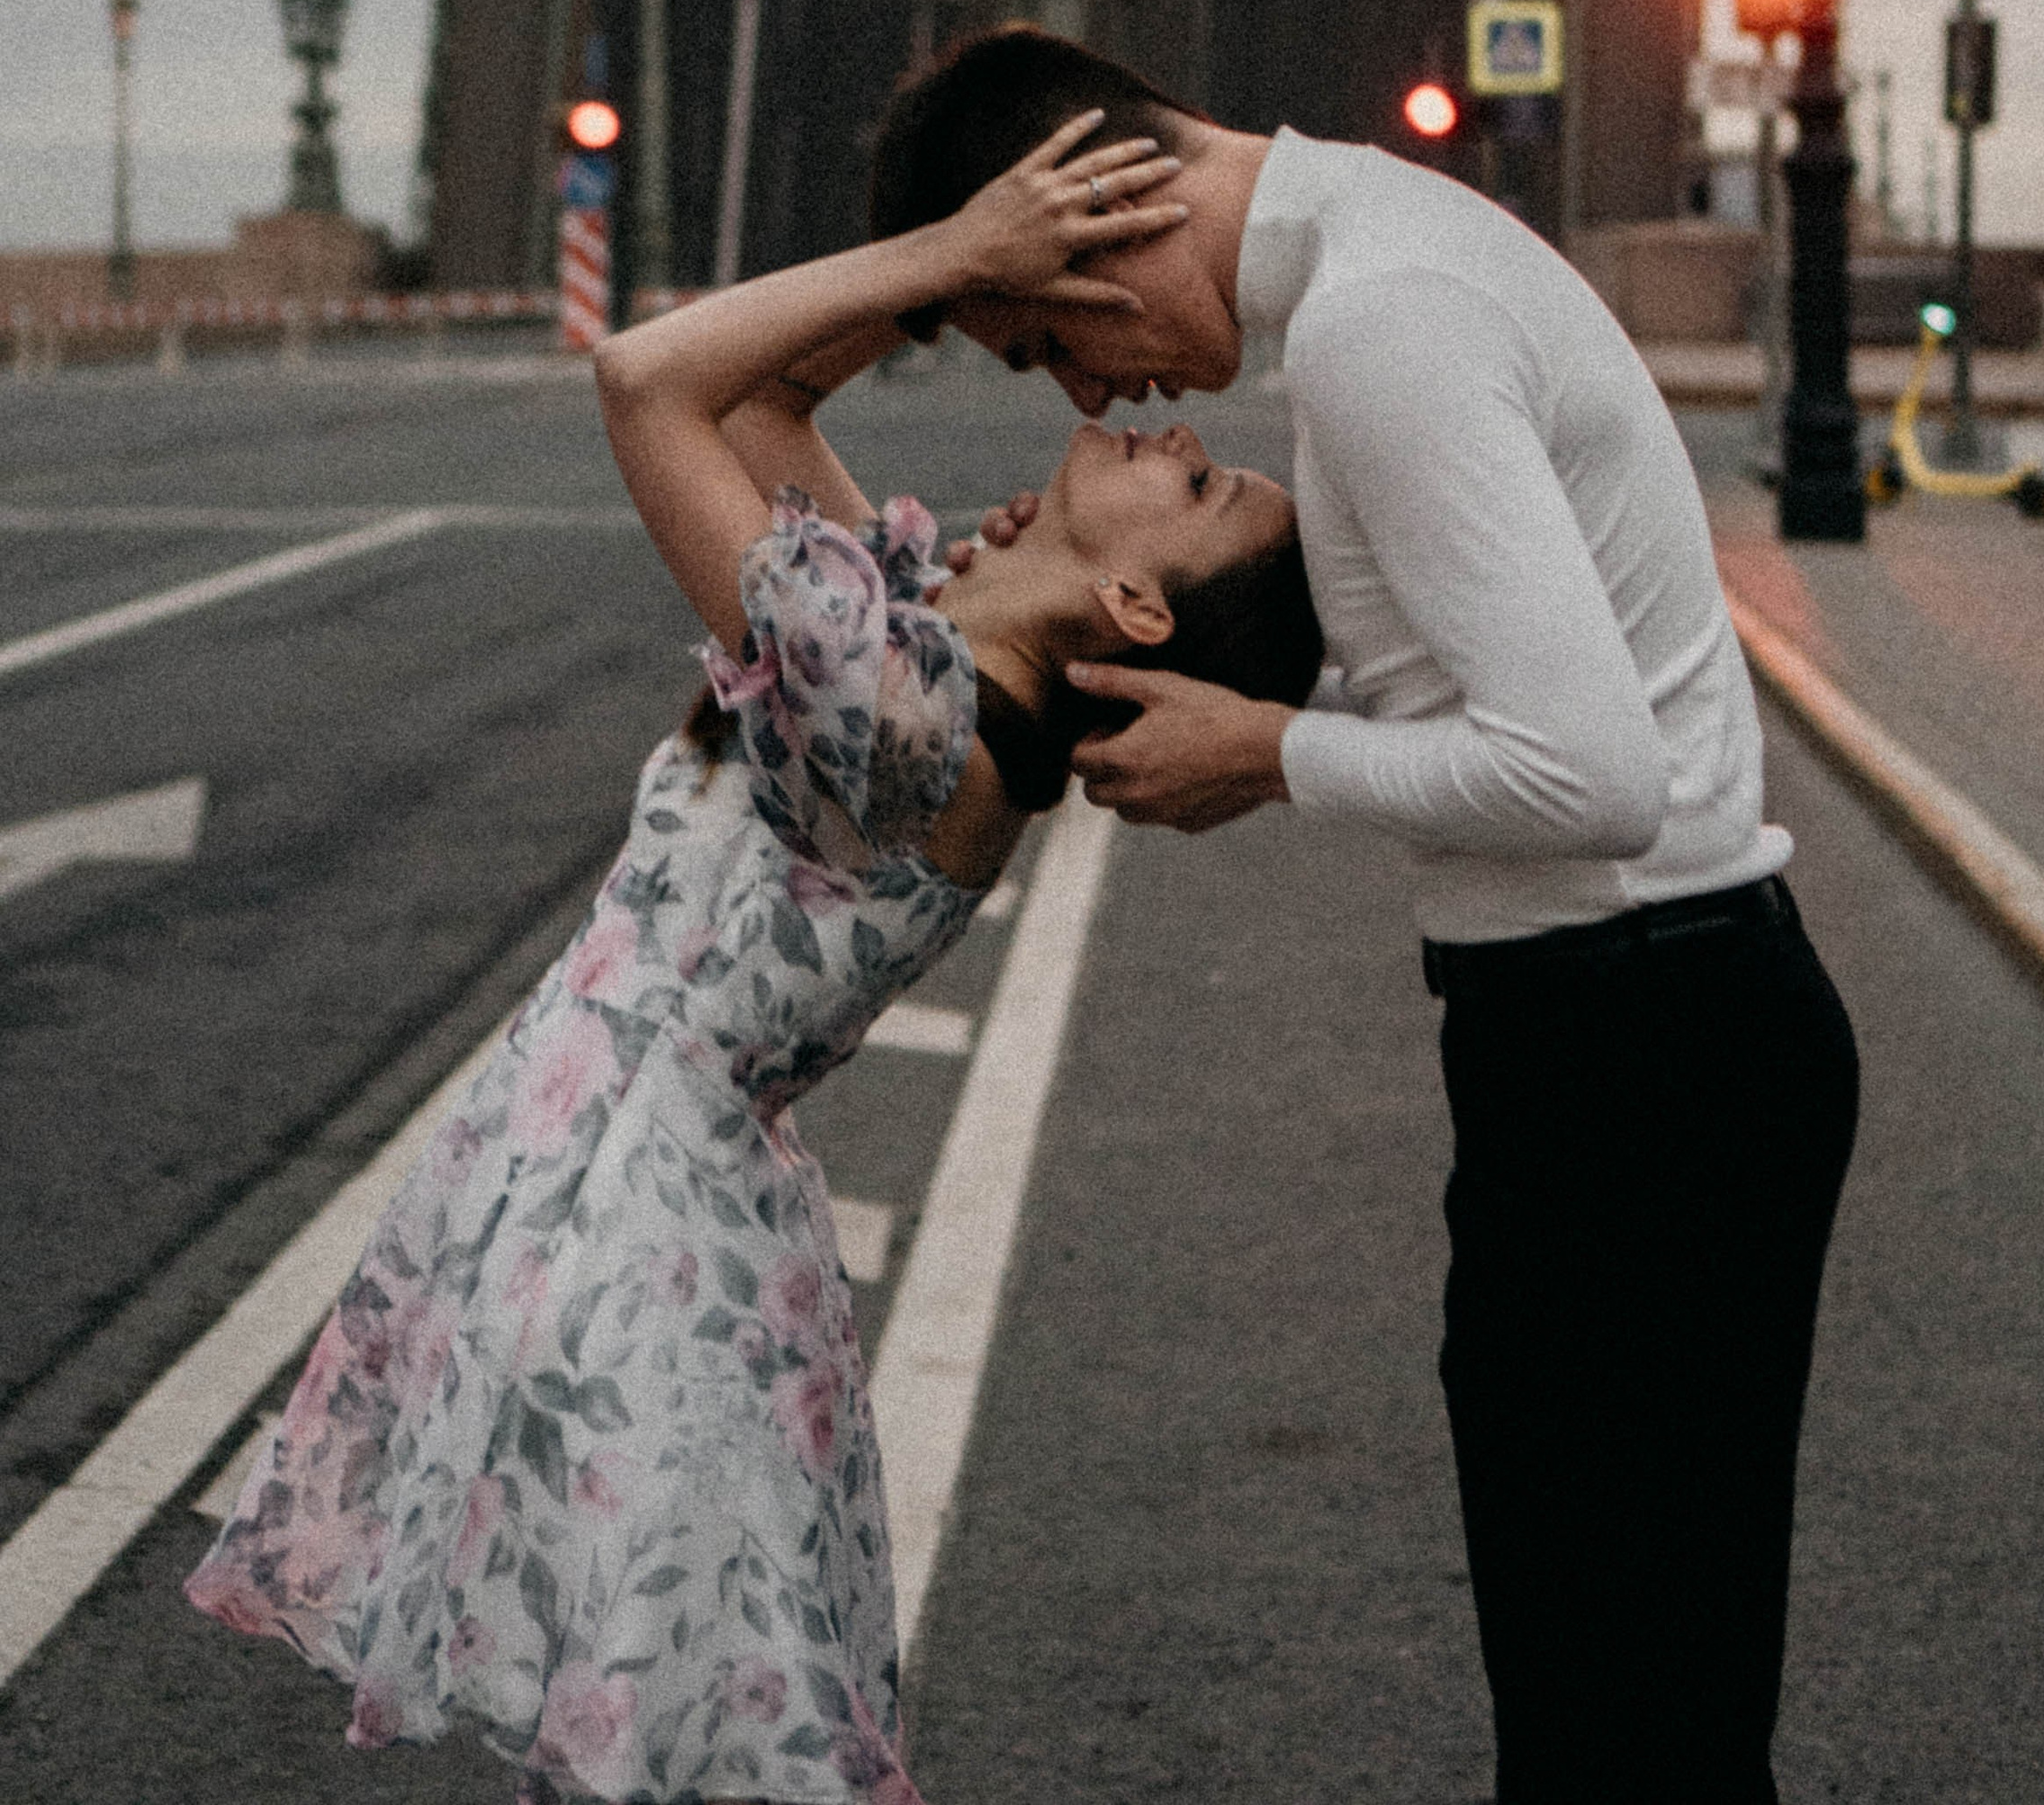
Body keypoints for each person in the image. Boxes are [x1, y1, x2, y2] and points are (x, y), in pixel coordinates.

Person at [184, 127, 1319, 1805]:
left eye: (1207, 489)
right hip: (631, 1201)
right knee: (678, 1751)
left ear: (1142, 607)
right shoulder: (932, 657)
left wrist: (950, 256)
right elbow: (770, 416)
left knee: (680, 1754)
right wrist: (969, 277)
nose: (1189, 442)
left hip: (635, 1243)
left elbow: (650, 382)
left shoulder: (902, 717)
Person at [869, 25, 1861, 1805]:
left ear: (1108, 213)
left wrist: (1273, 753)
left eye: (1045, 340)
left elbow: (1587, 775)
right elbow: (1451, 674)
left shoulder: (1376, 328)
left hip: (1639, 1049)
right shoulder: (1385, 258)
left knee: (1615, 1733)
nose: (1086, 398)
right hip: (1651, 1035)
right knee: (1643, 1720)